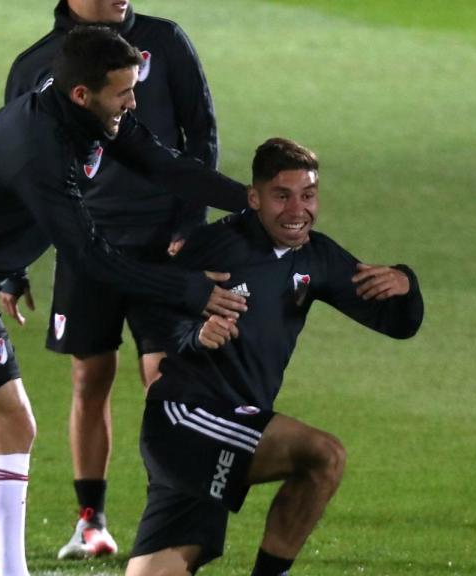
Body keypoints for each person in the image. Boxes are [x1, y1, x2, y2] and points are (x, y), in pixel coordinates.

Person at [0, 26, 248, 576]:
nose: (133, 102)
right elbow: (91, 257)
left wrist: (249, 201)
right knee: (12, 423)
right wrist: (192, 290)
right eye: (124, 92)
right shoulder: (40, 145)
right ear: (82, 93)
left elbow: (164, 163)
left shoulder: (87, 116)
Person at [123, 138, 424, 576]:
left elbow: (397, 323)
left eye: (308, 195)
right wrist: (194, 336)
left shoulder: (316, 257)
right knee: (324, 455)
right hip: (185, 418)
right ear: (254, 197)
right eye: (282, 196)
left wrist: (406, 283)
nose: (297, 210)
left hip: (227, 425)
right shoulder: (215, 246)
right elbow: (149, 308)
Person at [1, 0, 220, 559]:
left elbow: (201, 131)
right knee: (88, 377)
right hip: (85, 247)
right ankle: (90, 523)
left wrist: (191, 222)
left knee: (165, 380)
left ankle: (166, 518)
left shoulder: (165, 41)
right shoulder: (35, 64)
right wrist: (11, 263)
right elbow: (16, 167)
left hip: (161, 245)